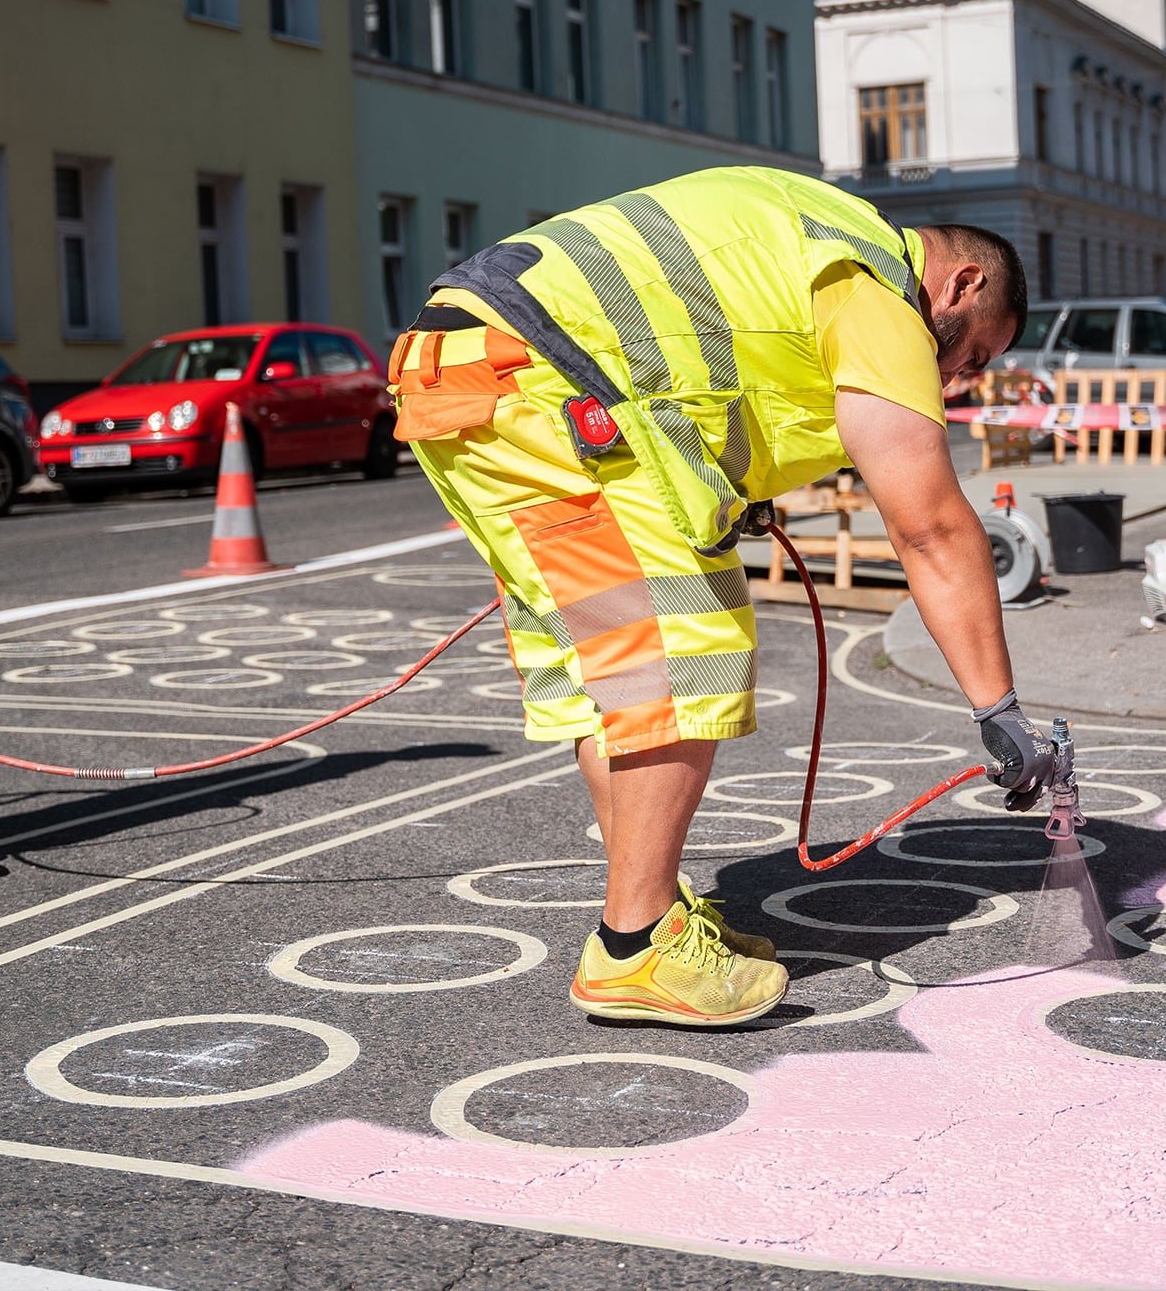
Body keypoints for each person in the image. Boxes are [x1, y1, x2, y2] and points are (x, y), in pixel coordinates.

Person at [390, 166, 1053, 1026]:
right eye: (972, 355)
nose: (956, 377)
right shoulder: (874, 286)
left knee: (620, 678)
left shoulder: (817, 228)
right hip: (546, 378)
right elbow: (928, 525)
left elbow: (710, 357)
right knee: (682, 656)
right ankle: (632, 947)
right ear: (960, 284)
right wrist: (997, 708)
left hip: (464, 367)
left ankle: (652, 913)